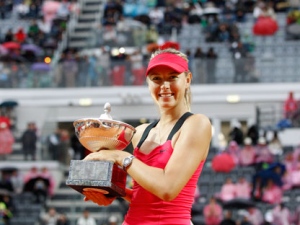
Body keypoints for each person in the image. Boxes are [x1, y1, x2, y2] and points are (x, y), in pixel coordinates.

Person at [81, 48, 212, 224]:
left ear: (187, 80)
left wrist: (120, 156)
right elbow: (145, 194)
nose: (164, 85)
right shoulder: (140, 132)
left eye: (172, 77)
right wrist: (114, 191)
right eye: (156, 79)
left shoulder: (197, 124)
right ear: (148, 83)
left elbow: (167, 188)